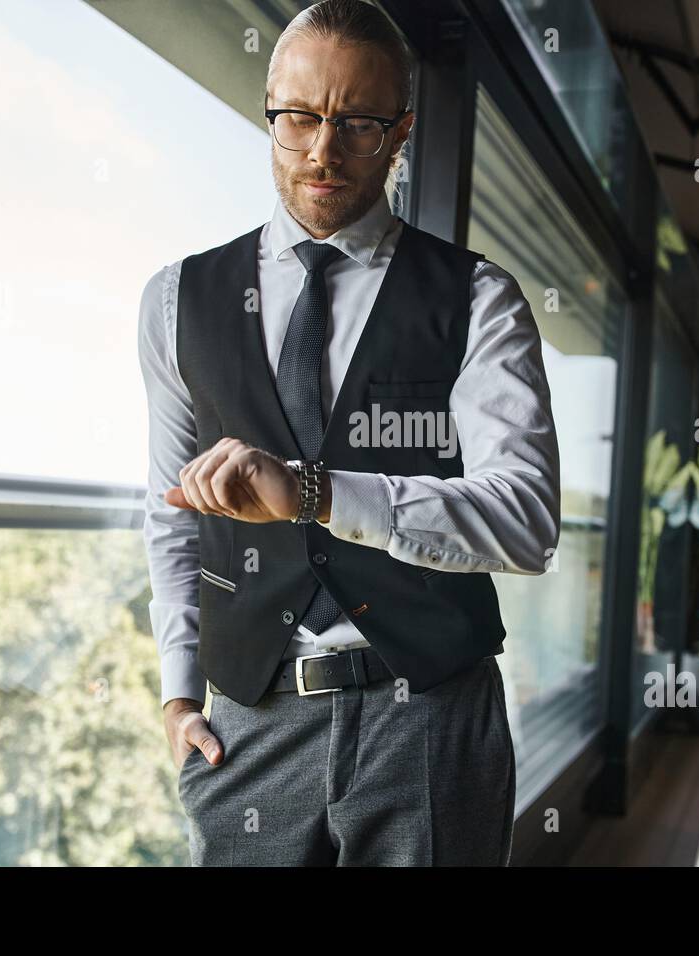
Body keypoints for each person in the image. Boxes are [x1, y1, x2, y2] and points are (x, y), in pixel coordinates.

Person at [138, 0, 559, 866]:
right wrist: (180, 696)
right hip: (249, 724)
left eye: (358, 123)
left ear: (401, 129)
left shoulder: (480, 298)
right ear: (270, 111)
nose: (323, 151)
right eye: (298, 118)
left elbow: (525, 518)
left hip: (433, 724)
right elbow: (170, 512)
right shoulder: (176, 300)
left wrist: (318, 494)